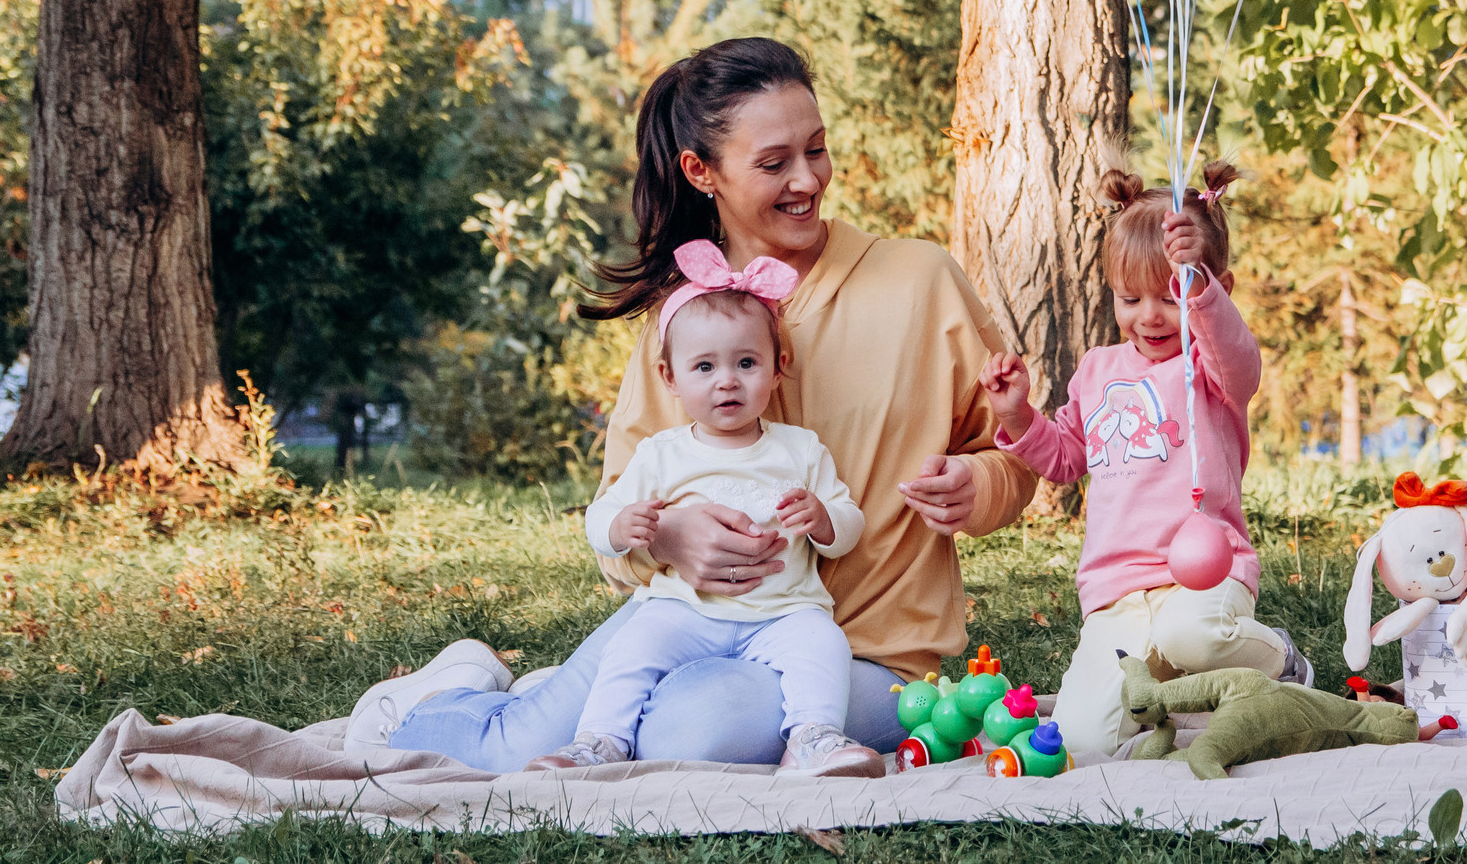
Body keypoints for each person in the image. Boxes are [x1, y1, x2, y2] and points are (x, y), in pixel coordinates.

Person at [353, 38, 1036, 768]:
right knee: (517, 745)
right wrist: (669, 536)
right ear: (700, 171)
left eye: (817, 149)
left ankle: (571, 697)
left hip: (869, 657)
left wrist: (980, 485)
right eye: (774, 163)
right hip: (692, 626)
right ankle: (447, 697)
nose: (808, 178)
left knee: (690, 736)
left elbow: (1016, 454)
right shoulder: (681, 324)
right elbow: (619, 517)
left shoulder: (921, 281)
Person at [979, 163, 1306, 759]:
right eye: (1131, 298)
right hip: (1118, 590)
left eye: (1171, 296)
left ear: (1216, 291)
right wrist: (1017, 416)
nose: (1150, 315)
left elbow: (1240, 360)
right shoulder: (1098, 371)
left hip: (1203, 579)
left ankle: (1280, 660)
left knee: (1193, 637)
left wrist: (1200, 294)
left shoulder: (1210, 371)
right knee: (1083, 743)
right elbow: (1066, 458)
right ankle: (1169, 703)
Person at [522, 246, 880, 776]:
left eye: (746, 363)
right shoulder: (662, 453)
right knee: (633, 645)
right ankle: (600, 740)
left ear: (778, 369)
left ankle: (812, 736)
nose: (727, 381)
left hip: (780, 613)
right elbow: (600, 518)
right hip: (684, 608)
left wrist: (824, 519)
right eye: (705, 366)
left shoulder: (800, 449)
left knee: (821, 642)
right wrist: (623, 528)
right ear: (671, 378)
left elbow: (849, 522)